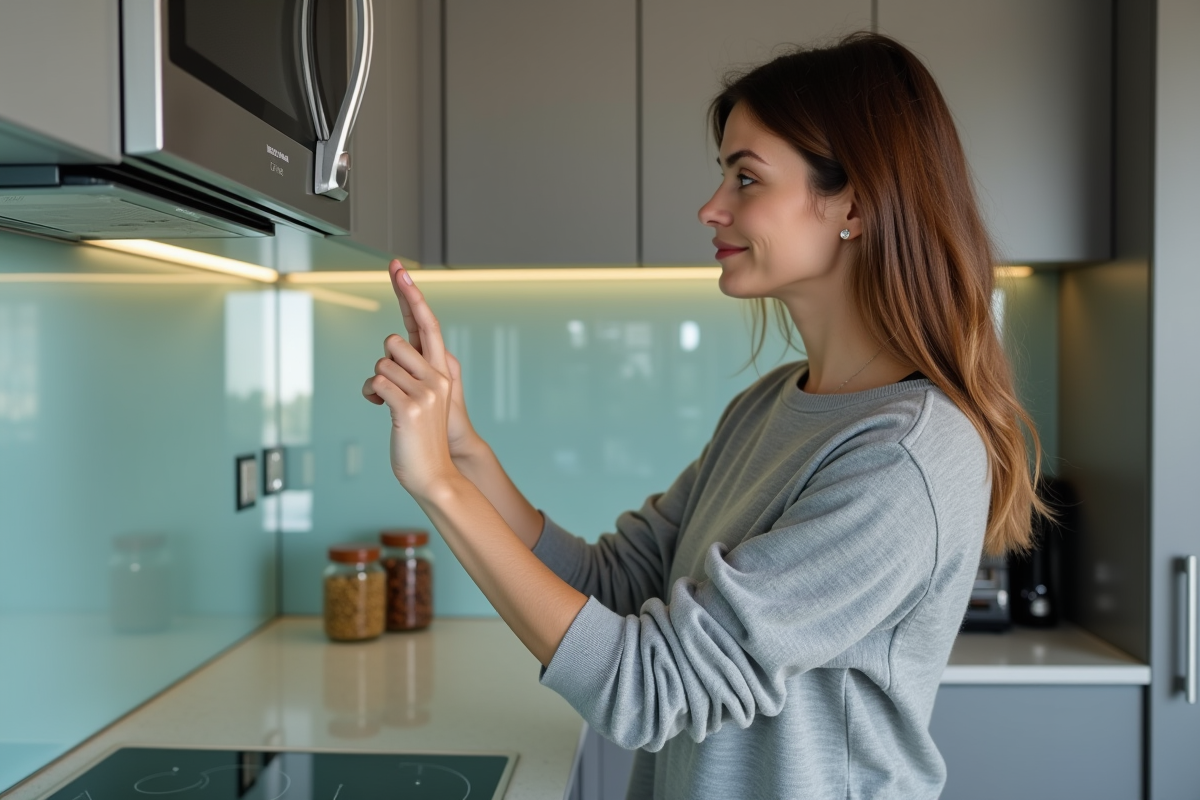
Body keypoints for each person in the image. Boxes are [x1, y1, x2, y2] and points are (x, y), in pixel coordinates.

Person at [363, 31, 1043, 800]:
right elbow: (617, 584)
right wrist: (466, 456)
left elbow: (647, 687)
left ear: (853, 202)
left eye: (746, 179)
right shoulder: (769, 407)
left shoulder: (909, 456)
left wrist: (438, 492)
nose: (711, 207)